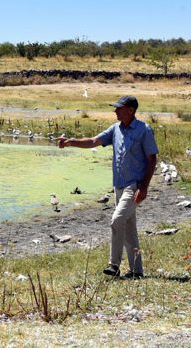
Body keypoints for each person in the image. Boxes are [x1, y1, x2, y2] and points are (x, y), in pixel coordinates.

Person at [58, 96, 158, 279]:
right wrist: (71, 141)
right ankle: (136, 271)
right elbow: (93, 141)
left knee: (116, 220)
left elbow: (152, 159)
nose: (115, 111)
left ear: (130, 110)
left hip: (134, 186)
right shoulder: (115, 129)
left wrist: (144, 187)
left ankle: (114, 265)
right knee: (128, 227)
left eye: (119, 108)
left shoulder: (144, 130)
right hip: (118, 186)